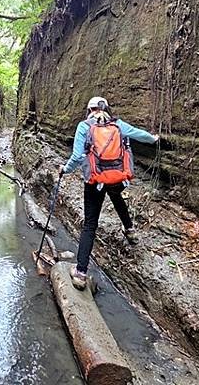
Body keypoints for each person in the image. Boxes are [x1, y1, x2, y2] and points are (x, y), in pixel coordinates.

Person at [60, 96, 159, 290]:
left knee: (90, 224)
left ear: (89, 110)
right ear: (107, 108)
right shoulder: (118, 125)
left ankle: (80, 273)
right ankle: (130, 230)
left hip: (96, 181)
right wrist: (153, 138)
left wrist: (65, 169)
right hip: (118, 177)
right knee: (116, 196)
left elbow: (78, 156)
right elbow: (141, 135)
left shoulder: (84, 127)